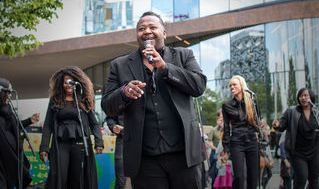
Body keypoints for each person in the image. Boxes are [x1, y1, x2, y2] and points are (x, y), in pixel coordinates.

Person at [101, 11, 207, 189]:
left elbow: (199, 86)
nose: (147, 31)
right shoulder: (119, 65)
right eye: (141, 29)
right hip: (144, 159)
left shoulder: (183, 55)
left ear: (164, 33)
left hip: (184, 155)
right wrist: (124, 92)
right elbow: (107, 106)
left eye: (152, 27)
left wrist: (166, 68)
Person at [39, 66, 104, 189]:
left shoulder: (84, 100)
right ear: (61, 84)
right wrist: (44, 147)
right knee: (60, 175)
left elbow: (94, 123)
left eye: (71, 82)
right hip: (61, 144)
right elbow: (47, 125)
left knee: (77, 178)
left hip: (80, 144)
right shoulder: (55, 100)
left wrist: (99, 142)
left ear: (77, 83)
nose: (68, 85)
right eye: (65, 82)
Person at [272, 88, 319, 189]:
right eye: (301, 96)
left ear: (311, 97)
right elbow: (281, 125)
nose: (303, 98)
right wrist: (277, 125)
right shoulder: (292, 111)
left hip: (314, 151)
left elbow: (318, 132)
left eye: (305, 96)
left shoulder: (316, 113)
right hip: (298, 152)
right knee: (302, 177)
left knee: (314, 180)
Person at [221, 75, 259, 189]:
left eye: (234, 84)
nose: (232, 87)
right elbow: (226, 128)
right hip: (237, 142)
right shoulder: (226, 105)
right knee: (239, 177)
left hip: (252, 141)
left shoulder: (252, 101)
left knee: (253, 177)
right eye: (230, 85)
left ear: (241, 86)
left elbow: (258, 121)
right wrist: (226, 150)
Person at [106, 114, 127, 189]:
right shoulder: (118, 102)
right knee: (121, 180)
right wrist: (114, 127)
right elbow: (110, 117)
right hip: (122, 140)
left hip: (140, 141)